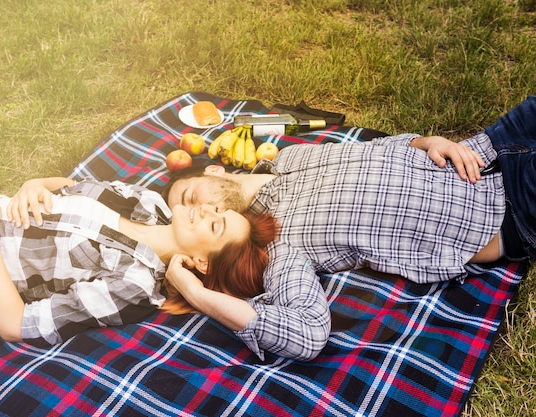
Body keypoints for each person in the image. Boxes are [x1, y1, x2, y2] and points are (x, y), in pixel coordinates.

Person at [160, 95, 536, 361]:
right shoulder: (279, 249)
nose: (199, 209)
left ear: (214, 170)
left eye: (191, 196)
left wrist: (425, 141)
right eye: (186, 213)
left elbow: (374, 149)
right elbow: (306, 334)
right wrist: (195, 292)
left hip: (492, 146)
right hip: (509, 209)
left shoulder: (289, 155)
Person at [0, 147, 278, 347]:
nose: (206, 208)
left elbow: (16, 325)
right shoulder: (151, 204)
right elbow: (69, 185)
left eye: (215, 224)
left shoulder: (135, 286)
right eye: (218, 209)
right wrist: (34, 185)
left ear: (202, 262)